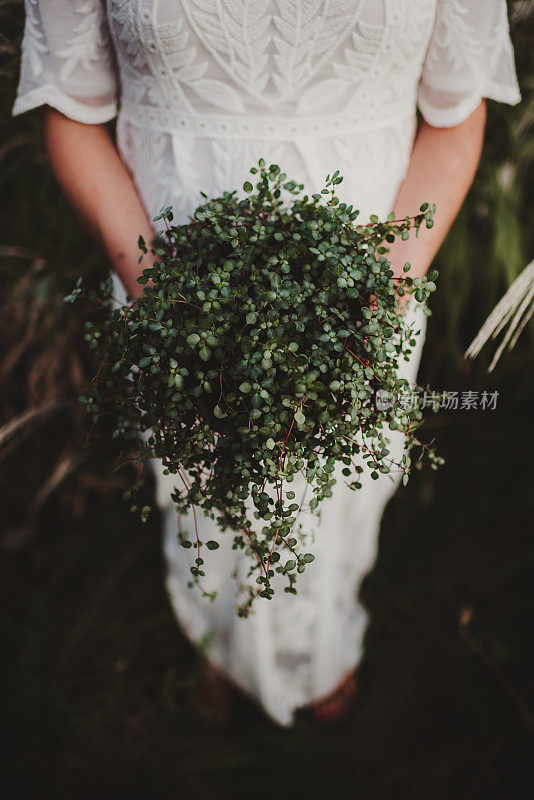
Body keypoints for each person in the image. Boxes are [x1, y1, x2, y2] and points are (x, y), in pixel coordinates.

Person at [13, 0, 521, 728]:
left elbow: (454, 113)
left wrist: (375, 303)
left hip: (368, 295)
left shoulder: (371, 305)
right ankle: (219, 646)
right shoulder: (170, 308)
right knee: (198, 494)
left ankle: (320, 649)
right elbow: (72, 109)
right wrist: (163, 299)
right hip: (171, 299)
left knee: (344, 493)